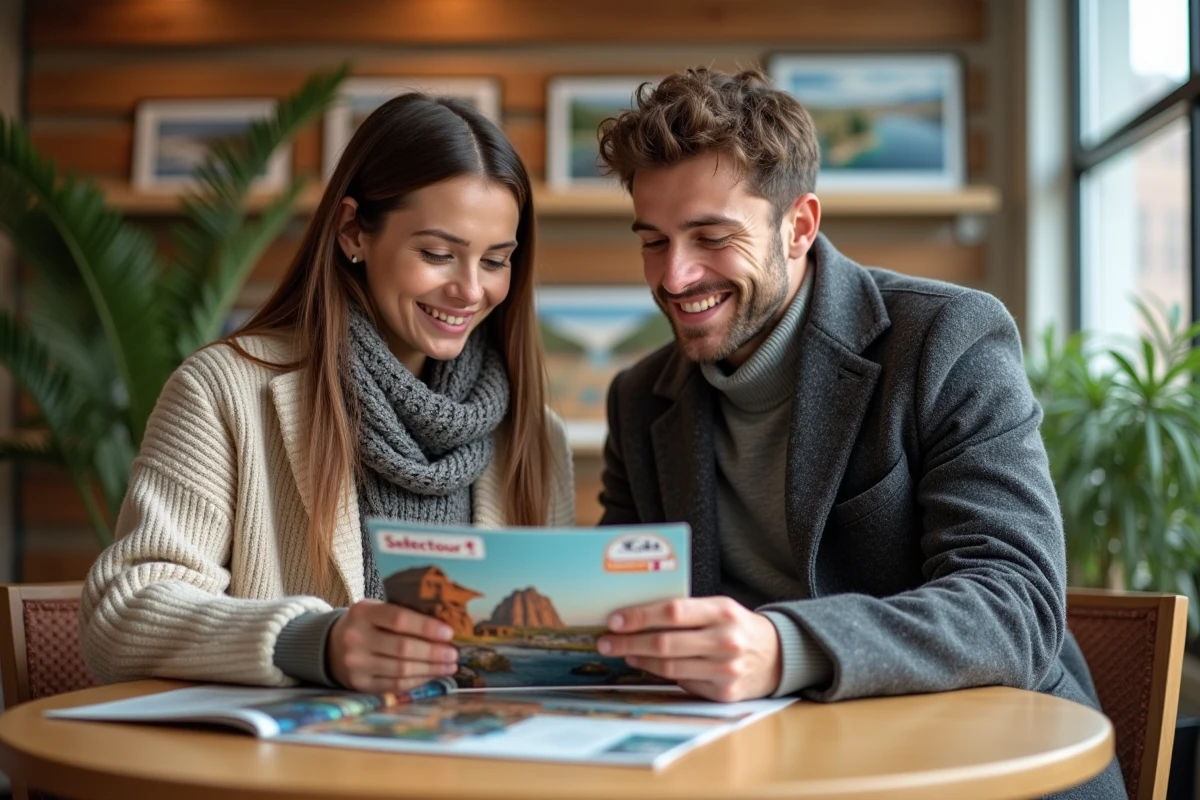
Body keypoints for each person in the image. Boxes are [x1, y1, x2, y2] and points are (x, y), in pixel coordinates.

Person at [591, 68, 1124, 798]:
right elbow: (617, 605)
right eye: (654, 241)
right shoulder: (638, 399)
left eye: (711, 237)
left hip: (978, 766)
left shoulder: (947, 338)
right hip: (761, 770)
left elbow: (1015, 605)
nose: (675, 277)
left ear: (799, 226)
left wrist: (786, 647)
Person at [80, 94, 575, 694]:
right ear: (352, 232)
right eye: (438, 254)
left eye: (495, 261)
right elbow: (119, 615)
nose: (470, 290)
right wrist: (313, 642)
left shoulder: (533, 434)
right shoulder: (223, 391)